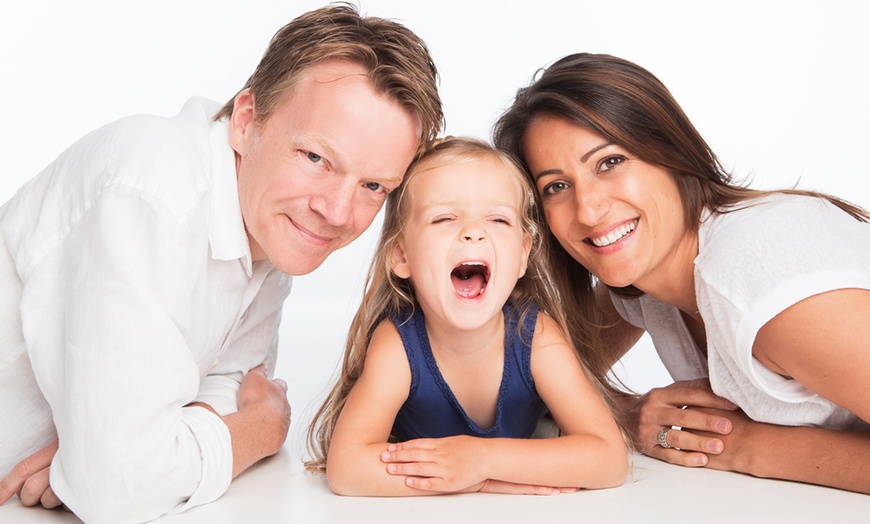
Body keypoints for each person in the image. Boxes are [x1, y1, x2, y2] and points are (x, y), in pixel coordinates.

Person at [0, 5, 442, 523]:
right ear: (246, 120)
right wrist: (265, 428)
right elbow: (120, 489)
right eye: (316, 158)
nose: (337, 213)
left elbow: (224, 391)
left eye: (373, 187)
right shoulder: (152, 194)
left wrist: (127, 447)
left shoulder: (269, 228)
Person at [493, 52, 870, 494]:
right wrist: (627, 413)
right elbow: (520, 387)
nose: (589, 209)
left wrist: (748, 446)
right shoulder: (643, 282)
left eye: (610, 162)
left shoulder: (758, 275)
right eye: (556, 187)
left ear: (670, 152)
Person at [305, 137, 628, 496]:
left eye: (498, 219)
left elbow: (609, 459)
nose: (473, 231)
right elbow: (348, 468)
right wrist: (482, 482)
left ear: (523, 255)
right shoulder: (397, 344)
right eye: (444, 218)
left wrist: (482, 461)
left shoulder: (535, 335)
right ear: (401, 255)